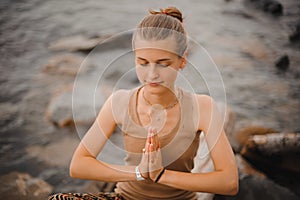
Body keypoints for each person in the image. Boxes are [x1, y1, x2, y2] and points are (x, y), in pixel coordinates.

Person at [48, 6, 238, 200]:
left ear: (182, 61)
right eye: (143, 62)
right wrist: (139, 172)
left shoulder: (202, 107)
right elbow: (79, 165)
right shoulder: (120, 101)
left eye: (163, 63)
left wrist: (162, 175)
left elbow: (229, 182)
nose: (152, 74)